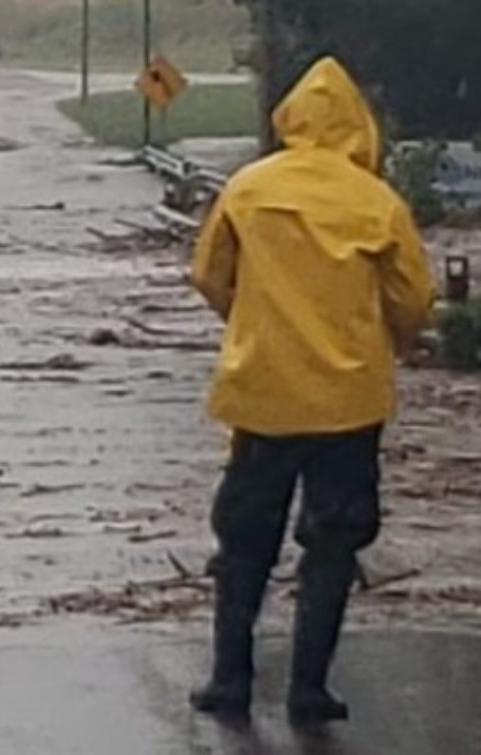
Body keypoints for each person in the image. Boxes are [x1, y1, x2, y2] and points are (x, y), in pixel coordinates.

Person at [188, 56, 436, 725]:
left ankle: (229, 682)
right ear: (358, 124)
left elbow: (209, 273)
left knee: (244, 539)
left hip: (261, 394)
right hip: (349, 403)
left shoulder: (248, 188)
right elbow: (414, 297)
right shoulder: (375, 201)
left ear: (291, 118)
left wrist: (250, 323)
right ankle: (309, 688)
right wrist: (395, 341)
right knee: (333, 540)